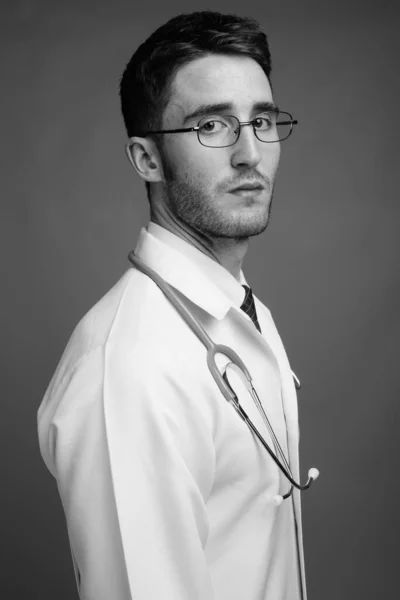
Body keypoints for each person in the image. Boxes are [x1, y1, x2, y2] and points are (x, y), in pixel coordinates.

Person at [38, 10, 311, 600]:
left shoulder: (235, 308)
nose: (250, 153)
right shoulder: (129, 369)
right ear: (147, 159)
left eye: (261, 121)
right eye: (211, 125)